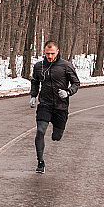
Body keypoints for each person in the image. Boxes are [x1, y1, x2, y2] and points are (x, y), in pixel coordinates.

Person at [29, 41, 80, 173]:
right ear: (44, 52)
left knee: (57, 136)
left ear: (57, 52)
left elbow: (76, 83)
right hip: (45, 104)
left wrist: (68, 92)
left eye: (52, 53)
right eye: (47, 54)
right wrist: (33, 95)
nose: (50, 56)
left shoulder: (66, 66)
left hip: (61, 106)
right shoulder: (39, 66)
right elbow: (35, 81)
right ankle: (40, 162)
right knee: (40, 130)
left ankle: (57, 133)